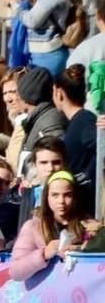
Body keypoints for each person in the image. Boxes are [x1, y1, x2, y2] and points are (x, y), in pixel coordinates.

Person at [8, 171, 98, 281]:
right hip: (46, 294)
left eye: (68, 195)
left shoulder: (90, 225)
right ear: (46, 197)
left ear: (75, 197)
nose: (61, 201)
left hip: (81, 292)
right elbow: (15, 272)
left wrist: (83, 250)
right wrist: (44, 253)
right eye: (55, 195)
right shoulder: (33, 227)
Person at [53, 65, 97, 210]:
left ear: (59, 94)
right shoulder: (79, 121)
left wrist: (87, 176)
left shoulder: (84, 121)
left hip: (84, 205)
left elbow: (100, 145)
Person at [8, 66, 67, 172]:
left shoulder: (51, 123)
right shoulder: (36, 120)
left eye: (17, 93)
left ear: (25, 97)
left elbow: (52, 164)